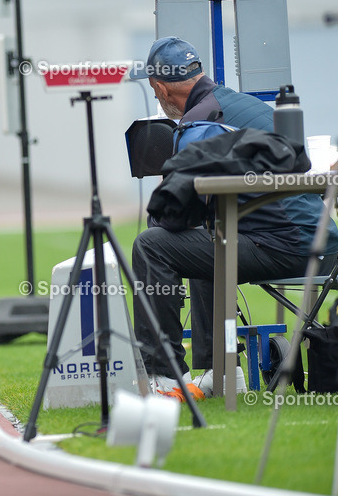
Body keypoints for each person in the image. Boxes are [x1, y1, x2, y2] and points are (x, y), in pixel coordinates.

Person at [131, 36, 338, 400]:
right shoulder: (246, 104)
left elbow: (172, 217)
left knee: (153, 246)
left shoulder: (198, 123)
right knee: (204, 239)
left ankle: (165, 378)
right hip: (325, 244)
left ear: (159, 87)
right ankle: (222, 371)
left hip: (286, 247)